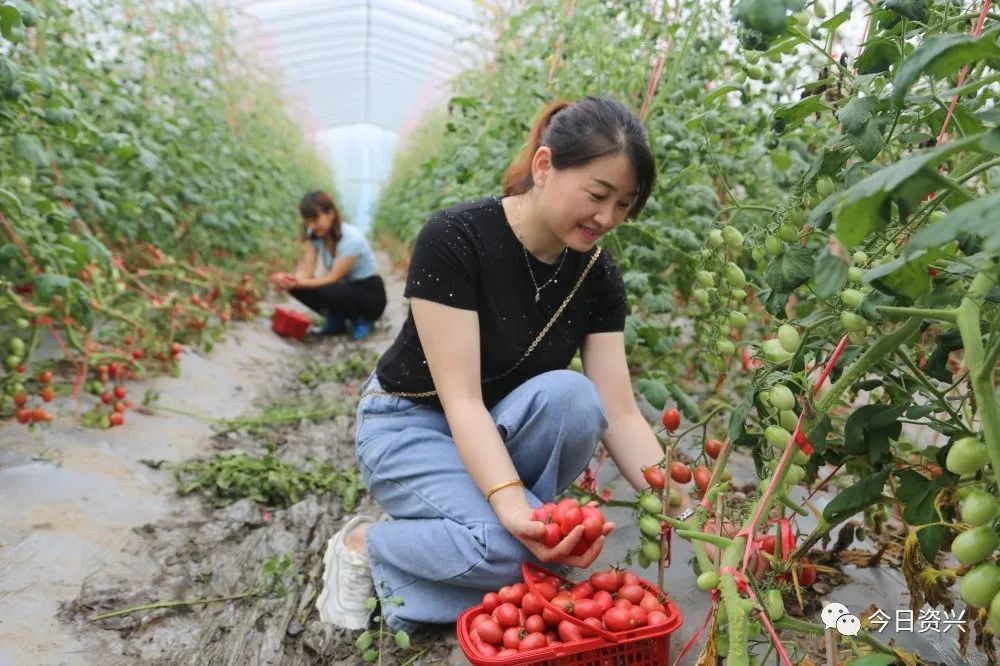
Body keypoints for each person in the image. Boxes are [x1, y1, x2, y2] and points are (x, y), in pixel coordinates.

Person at [316, 96, 671, 633]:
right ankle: (367, 543)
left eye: (625, 205)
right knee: (524, 555)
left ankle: (465, 535)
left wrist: (688, 509)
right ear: (545, 165)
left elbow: (620, 413)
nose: (608, 218)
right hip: (409, 423)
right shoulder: (456, 239)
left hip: (495, 427)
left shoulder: (597, 276)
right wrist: (513, 511)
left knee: (574, 397)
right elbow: (459, 400)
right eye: (599, 195)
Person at [270, 191, 387, 340]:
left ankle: (363, 319)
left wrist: (297, 282)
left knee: (328, 291)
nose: (311, 225)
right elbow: (307, 269)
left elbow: (333, 278)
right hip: (344, 289)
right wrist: (290, 280)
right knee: (297, 287)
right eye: (308, 221)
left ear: (330, 214)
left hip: (370, 294)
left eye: (315, 219)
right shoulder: (316, 236)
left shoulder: (351, 239)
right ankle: (337, 321)